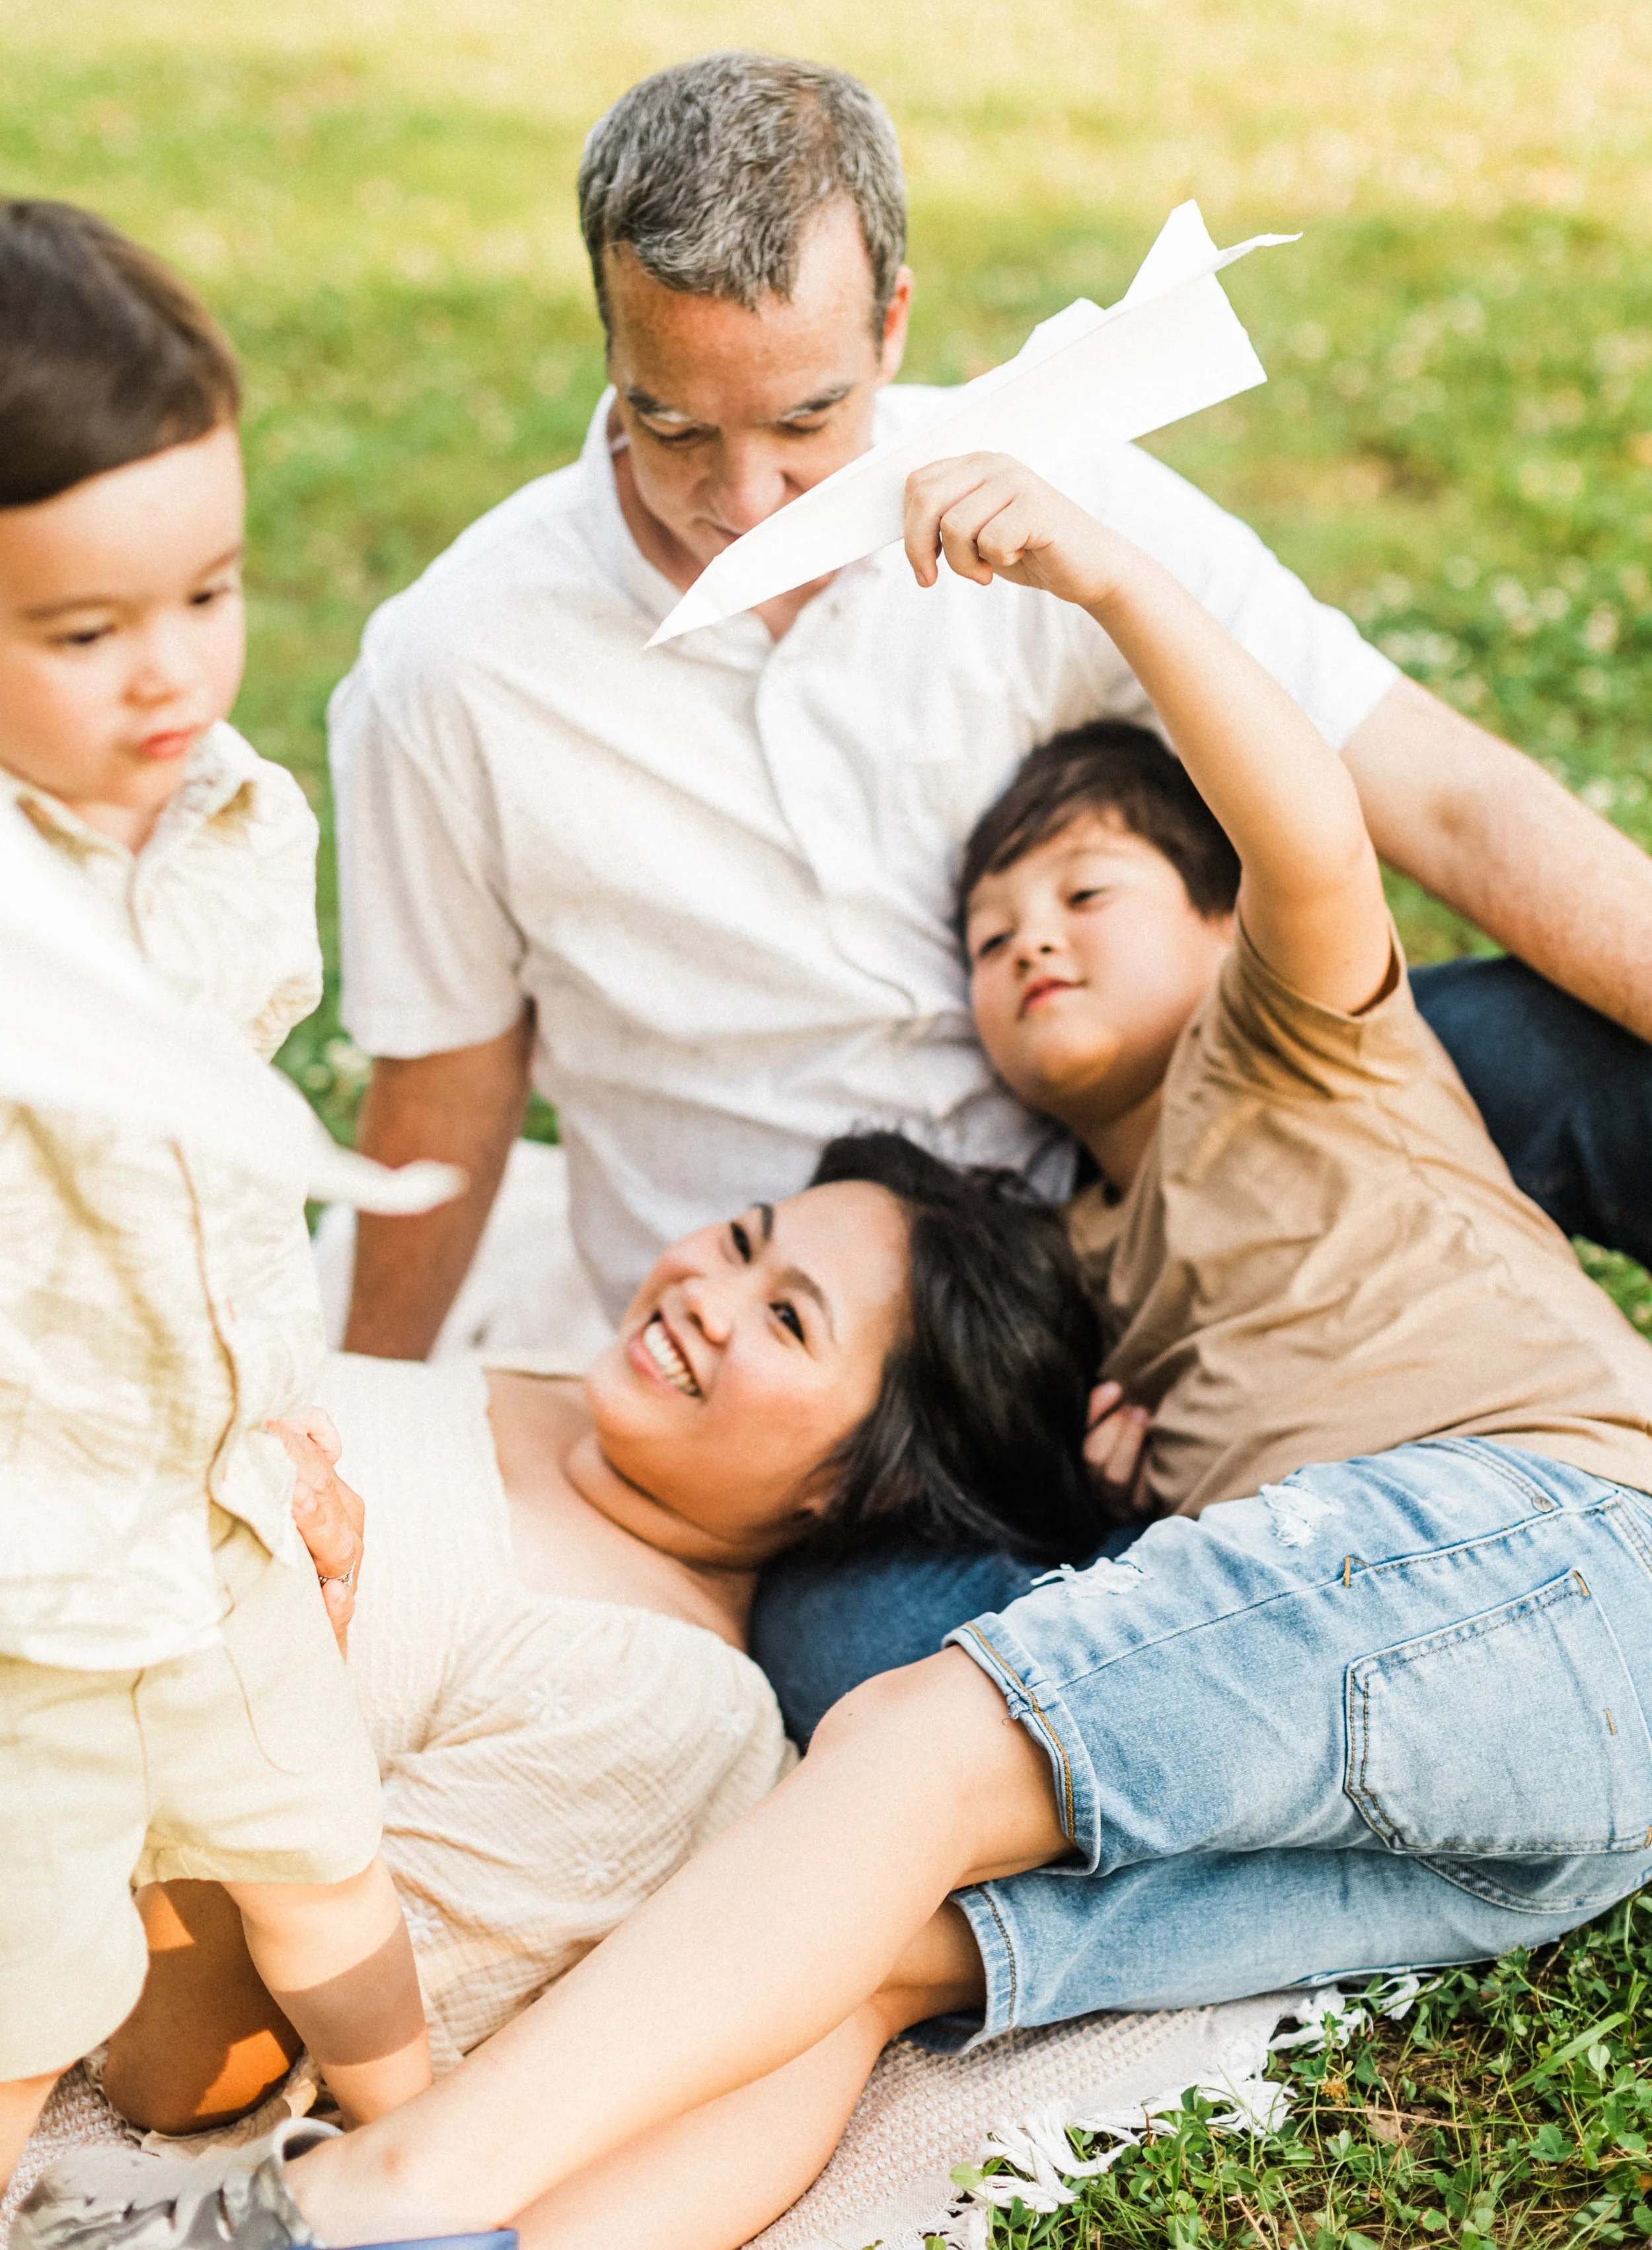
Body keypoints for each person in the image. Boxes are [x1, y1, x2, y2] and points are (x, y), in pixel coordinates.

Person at [37, 450, 1652, 2250]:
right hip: (1524, 1810)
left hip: (1569, 1553)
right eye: (990, 933)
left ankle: (362, 2200)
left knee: (921, 1738)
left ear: (1216, 921)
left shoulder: (1306, 1045)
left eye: (1087, 893)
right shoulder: (1074, 1283)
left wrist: (1114, 577)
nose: (1030, 940)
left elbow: (1313, 831)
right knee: (890, 1942)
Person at [332, 48, 1652, 1397]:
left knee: (1548, 1055)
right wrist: (365, 1404)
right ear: (610, 337)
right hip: (821, 1370)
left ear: (892, 323)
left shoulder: (1045, 496)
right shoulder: (453, 671)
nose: (747, 498)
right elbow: (446, 1082)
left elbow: (1440, 796)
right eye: (669, 424)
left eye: (806, 419)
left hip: (1149, 1178)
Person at [61, 1134, 1100, 2171]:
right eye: (743, 1240)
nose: (708, 1295)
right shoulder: (566, 1372)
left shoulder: (669, 1703)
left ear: (874, 1485)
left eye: (788, 1318)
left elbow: (182, 2076)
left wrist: (272, 1668)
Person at [0, 201, 432, 2189]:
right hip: (30, 1586)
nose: (169, 669)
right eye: (85, 634)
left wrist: (289, 1420)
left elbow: (229, 1185)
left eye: (211, 591)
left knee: (332, 1885)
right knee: (20, 2001)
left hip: (225, 1526)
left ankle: (438, 2159)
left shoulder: (237, 817)